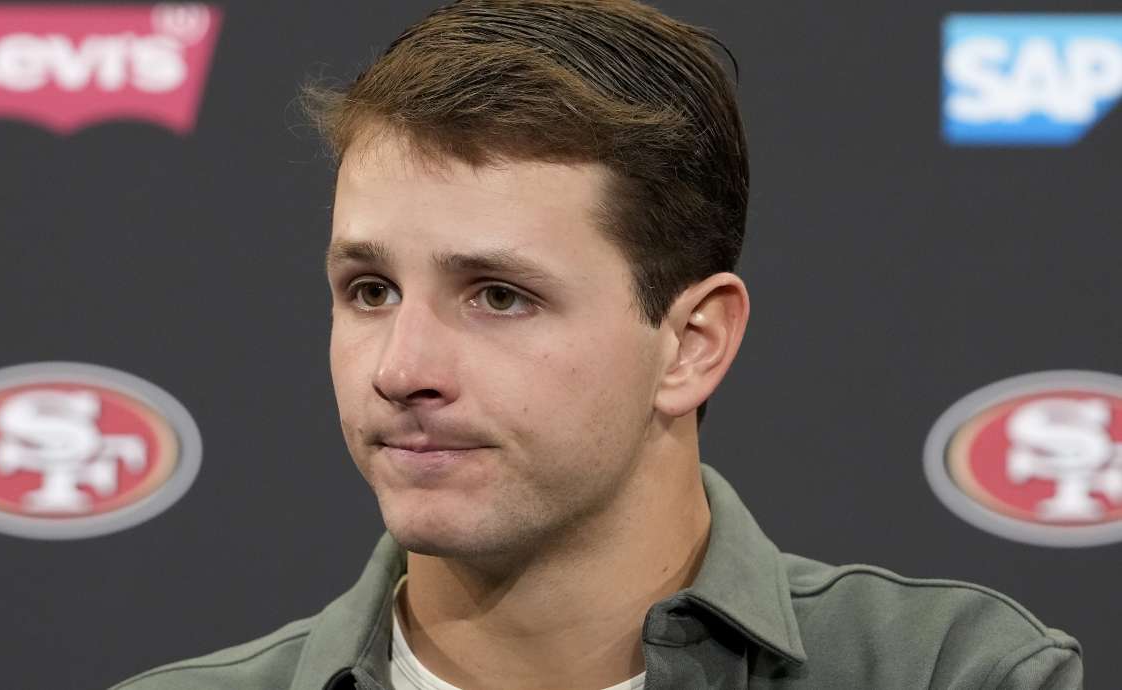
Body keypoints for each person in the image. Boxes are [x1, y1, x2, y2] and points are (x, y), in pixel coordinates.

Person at [113, 1, 1083, 688]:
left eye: (497, 296)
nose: (399, 369)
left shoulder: (945, 673)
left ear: (691, 345)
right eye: (369, 290)